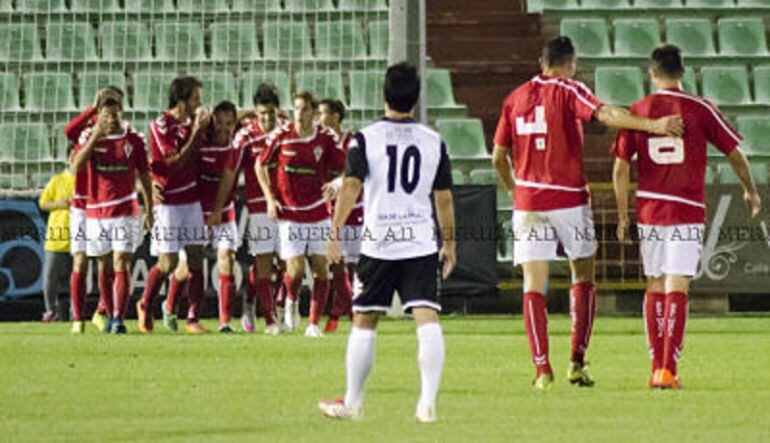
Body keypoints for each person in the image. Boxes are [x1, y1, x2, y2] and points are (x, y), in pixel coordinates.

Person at [492, 36, 685, 390]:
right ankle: (577, 363)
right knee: (583, 275)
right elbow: (606, 114)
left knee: (533, 285)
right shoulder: (569, 90)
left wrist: (514, 188)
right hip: (568, 200)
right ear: (571, 64)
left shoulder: (513, 98)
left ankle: (541, 370)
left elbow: (497, 157)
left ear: (541, 61)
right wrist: (653, 126)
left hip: (529, 203)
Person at [612, 44, 761, 389]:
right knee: (678, 285)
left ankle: (654, 368)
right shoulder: (701, 108)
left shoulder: (639, 111)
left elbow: (620, 168)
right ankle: (668, 370)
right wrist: (750, 190)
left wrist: (622, 215)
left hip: (651, 209)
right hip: (686, 210)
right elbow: (736, 154)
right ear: (682, 73)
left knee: (654, 285)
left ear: (652, 73)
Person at [318, 62, 456, 423]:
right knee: (426, 317)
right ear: (416, 97)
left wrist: (334, 233)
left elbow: (351, 186)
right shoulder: (432, 141)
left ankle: (353, 401)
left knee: (365, 319)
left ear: (384, 93)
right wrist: (451, 243)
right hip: (419, 242)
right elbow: (443, 198)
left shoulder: (365, 138)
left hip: (379, 243)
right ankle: (427, 403)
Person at [256, 91, 346, 337]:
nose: (300, 114)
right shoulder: (282, 135)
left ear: (313, 113)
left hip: (318, 211)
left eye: (305, 109)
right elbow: (260, 164)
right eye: (296, 108)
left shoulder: (325, 138)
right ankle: (290, 301)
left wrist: (336, 185)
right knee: (294, 271)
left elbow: (346, 170)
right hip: (290, 213)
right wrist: (270, 199)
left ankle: (314, 323)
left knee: (320, 268)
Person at [70, 93, 154, 334]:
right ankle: (106, 312)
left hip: (126, 209)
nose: (111, 120)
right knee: (104, 265)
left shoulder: (134, 139)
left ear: (122, 113)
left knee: (121, 261)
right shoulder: (89, 136)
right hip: (96, 212)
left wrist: (149, 209)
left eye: (115, 115)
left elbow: (145, 176)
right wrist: (96, 134)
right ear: (99, 117)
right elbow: (75, 167)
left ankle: (118, 317)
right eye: (106, 116)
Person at [138, 76, 208, 334]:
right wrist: (196, 132)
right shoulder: (161, 125)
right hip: (167, 203)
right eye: (195, 98)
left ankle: (192, 319)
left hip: (191, 199)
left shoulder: (192, 121)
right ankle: (145, 305)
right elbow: (174, 161)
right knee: (166, 263)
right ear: (182, 99)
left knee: (197, 259)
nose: (199, 103)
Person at [166, 100, 240, 333]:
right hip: (196, 210)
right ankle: (169, 307)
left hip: (223, 210)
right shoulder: (201, 140)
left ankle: (224, 322)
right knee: (186, 266)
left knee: (226, 257)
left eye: (229, 124)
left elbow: (228, 180)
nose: (224, 128)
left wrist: (217, 211)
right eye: (220, 122)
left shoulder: (234, 146)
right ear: (213, 122)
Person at [63, 87, 123, 333]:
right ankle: (78, 318)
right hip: (81, 206)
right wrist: (91, 107)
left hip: (106, 207)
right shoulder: (87, 133)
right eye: (106, 104)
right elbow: (69, 131)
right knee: (80, 260)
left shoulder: (122, 133)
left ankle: (105, 313)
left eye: (116, 105)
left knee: (106, 262)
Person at [233, 83, 286, 335]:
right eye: (262, 113)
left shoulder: (287, 131)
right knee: (263, 262)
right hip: (257, 209)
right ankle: (269, 319)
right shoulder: (245, 135)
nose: (267, 119)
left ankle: (258, 301)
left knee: (287, 265)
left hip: (287, 208)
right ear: (255, 112)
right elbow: (231, 170)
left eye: (271, 114)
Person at [318, 99, 362, 333]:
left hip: (354, 211)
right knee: (336, 264)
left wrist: (337, 182)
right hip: (329, 213)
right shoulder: (320, 141)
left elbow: (354, 171)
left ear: (336, 116)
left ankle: (339, 313)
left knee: (352, 266)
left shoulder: (352, 141)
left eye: (323, 113)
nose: (318, 118)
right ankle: (345, 311)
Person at [39, 158, 74, 323]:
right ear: (69, 158)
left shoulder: (87, 179)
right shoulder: (57, 180)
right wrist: (58, 204)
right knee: (50, 277)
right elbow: (43, 203)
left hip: (79, 236)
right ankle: (50, 311)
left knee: (77, 277)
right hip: (57, 236)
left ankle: (76, 312)